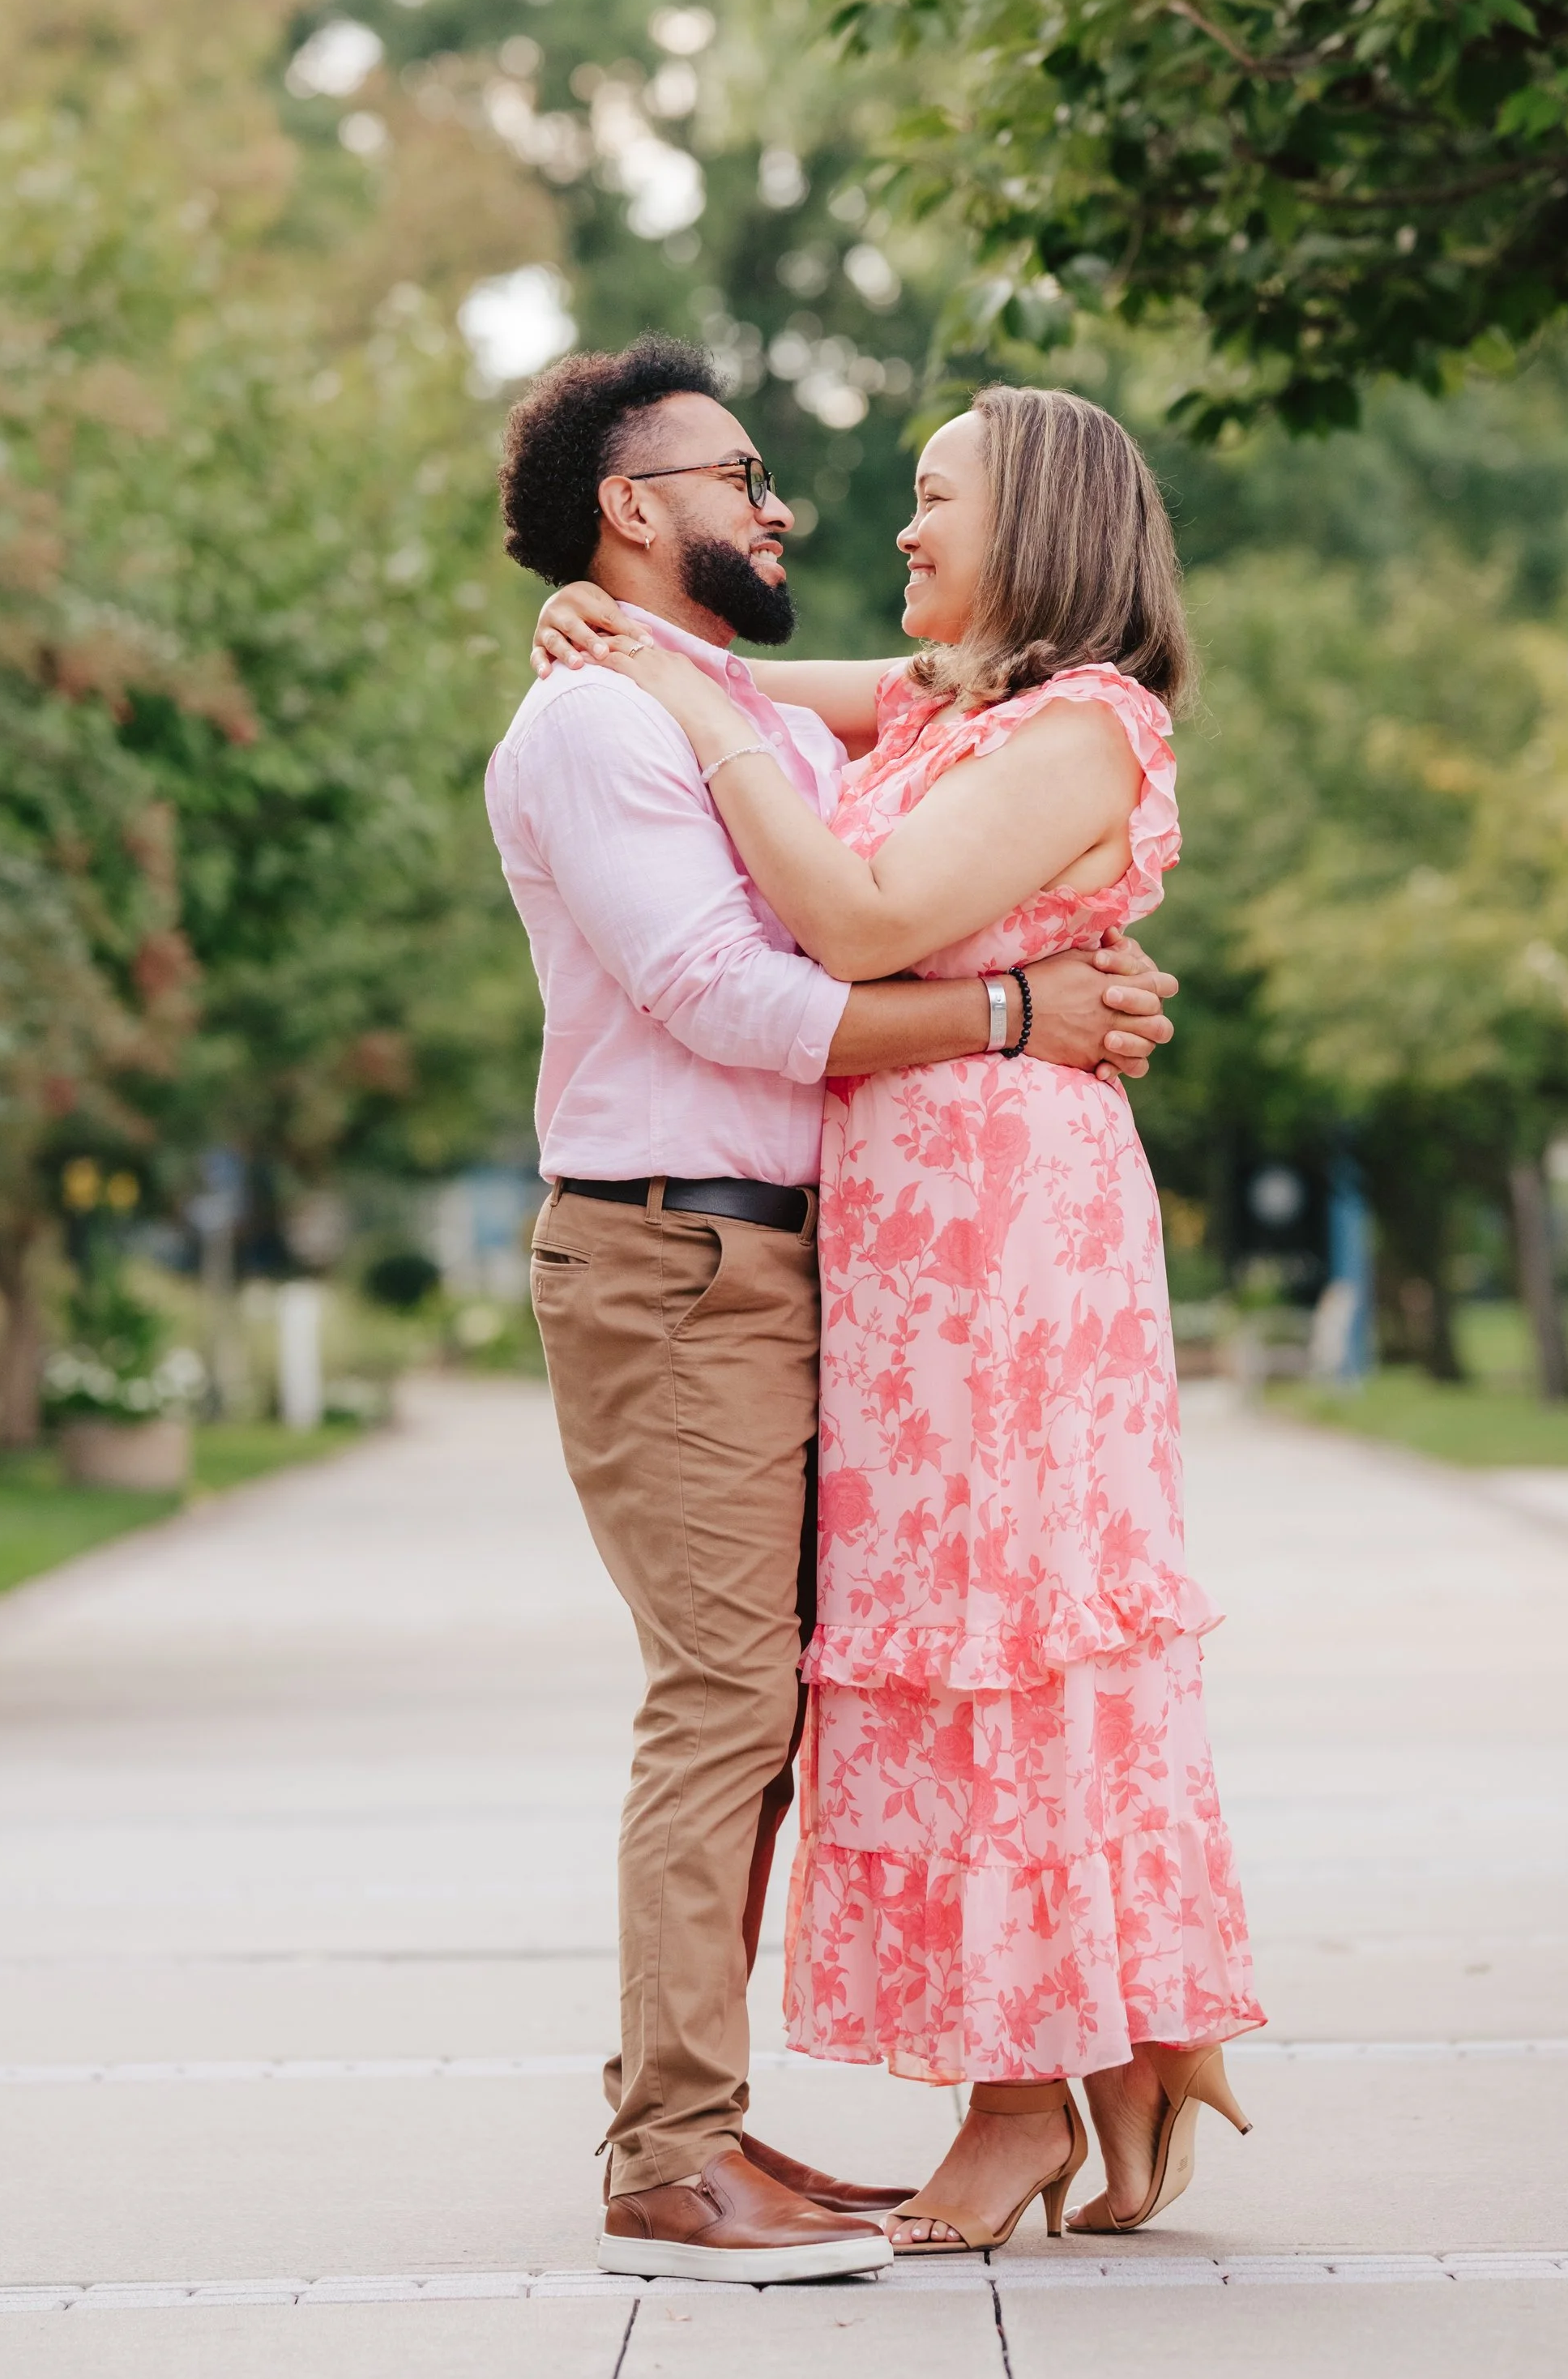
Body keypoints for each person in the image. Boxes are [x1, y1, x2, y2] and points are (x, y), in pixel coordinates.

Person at [540, 379, 1262, 2254]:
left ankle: (1022, 2097)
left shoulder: (1084, 725)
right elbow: (765, 686)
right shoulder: (956, 705)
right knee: (940, 1639)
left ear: (1034, 521)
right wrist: (617, 634)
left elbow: (856, 923)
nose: (894, 529)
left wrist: (692, 703)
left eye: (931, 500)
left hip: (1005, 1238)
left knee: (999, 1628)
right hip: (904, 1239)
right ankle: (1106, 2058)